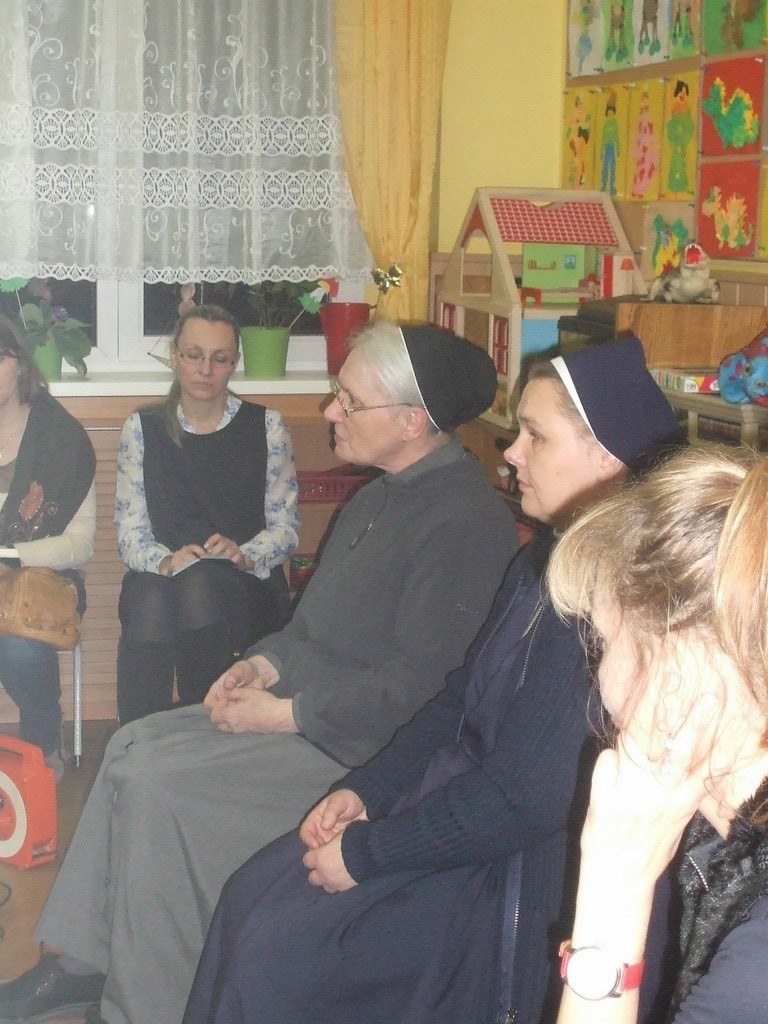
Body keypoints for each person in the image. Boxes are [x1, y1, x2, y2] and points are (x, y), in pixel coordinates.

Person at [0, 320, 517, 1024]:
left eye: (349, 400)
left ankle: (147, 1005)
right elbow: (311, 625)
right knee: (129, 743)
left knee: (154, 783)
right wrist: (261, 663)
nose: (330, 410)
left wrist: (288, 714)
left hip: (361, 757)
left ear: (411, 421)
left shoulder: (463, 523)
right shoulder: (380, 496)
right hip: (312, 713)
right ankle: (85, 965)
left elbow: (421, 694)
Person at [180, 336, 685, 1024]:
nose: (509, 453)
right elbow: (456, 700)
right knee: (255, 891)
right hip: (453, 806)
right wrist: (368, 788)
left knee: (283, 951)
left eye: (534, 436)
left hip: (521, 873)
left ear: (606, 457)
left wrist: (368, 853)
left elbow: (522, 801)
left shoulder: (618, 605)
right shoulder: (542, 563)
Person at [550, 446, 768, 1024]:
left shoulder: (757, 971)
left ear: (679, 670)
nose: (598, 674)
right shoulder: (726, 838)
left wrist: (615, 878)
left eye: (603, 641)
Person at [114, 303, 298, 723]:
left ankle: (204, 731)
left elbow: (285, 528)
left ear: (234, 363)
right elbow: (130, 531)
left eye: (220, 358)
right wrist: (165, 561)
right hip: (162, 574)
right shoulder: (142, 428)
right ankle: (139, 739)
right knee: (148, 599)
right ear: (175, 357)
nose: (205, 370)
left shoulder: (267, 426)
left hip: (244, 581)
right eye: (193, 355)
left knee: (201, 588)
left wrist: (245, 553)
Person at [0, 315, 95, 775]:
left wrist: (9, 557)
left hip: (42, 582)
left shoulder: (61, 441)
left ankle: (41, 745)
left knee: (20, 646)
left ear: (20, 362)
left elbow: (80, 544)